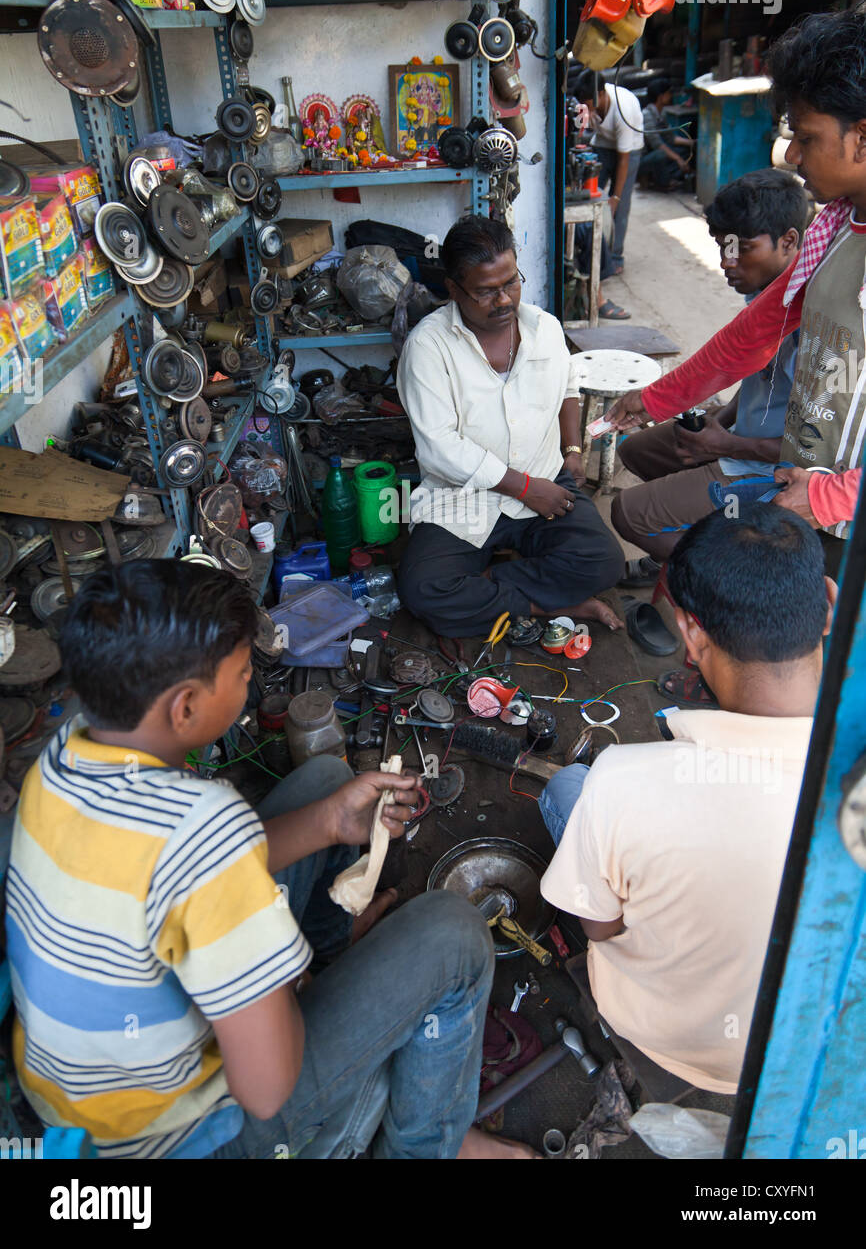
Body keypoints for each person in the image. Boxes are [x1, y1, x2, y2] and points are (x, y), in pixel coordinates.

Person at [6, 561, 535, 1160]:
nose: (251, 679)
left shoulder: (62, 757)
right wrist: (273, 966)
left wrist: (333, 821)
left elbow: (169, 868)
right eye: (241, 672)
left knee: (325, 779)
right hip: (193, 1136)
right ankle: (427, 1146)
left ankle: (331, 960)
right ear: (184, 708)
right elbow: (266, 1088)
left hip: (76, 1099)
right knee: (455, 933)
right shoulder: (204, 833)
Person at [538, 503, 836, 1094]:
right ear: (828, 603)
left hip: (658, 1033)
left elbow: (602, 930)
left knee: (568, 787)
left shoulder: (623, 779)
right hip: (805, 1057)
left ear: (691, 633)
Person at [606, 2, 866, 576]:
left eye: (806, 136)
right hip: (803, 490)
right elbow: (749, 338)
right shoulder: (837, 227)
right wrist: (654, 401)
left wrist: (830, 497)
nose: (793, 157)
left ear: (862, 138)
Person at [395, 215, 625, 639]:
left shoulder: (545, 328)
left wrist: (572, 451)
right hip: (462, 497)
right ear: (453, 288)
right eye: (485, 291)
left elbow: (566, 389)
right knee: (422, 589)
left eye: (511, 283)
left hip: (546, 481)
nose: (503, 300)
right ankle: (547, 603)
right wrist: (524, 488)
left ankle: (488, 594)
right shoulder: (427, 348)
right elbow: (439, 448)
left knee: (604, 561)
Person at [611, 168, 810, 580]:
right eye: (723, 247)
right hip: (739, 439)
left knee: (627, 514)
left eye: (742, 248)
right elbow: (757, 373)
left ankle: (730, 577)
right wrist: (721, 420)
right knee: (635, 450)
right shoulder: (769, 297)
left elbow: (813, 454)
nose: (726, 262)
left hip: (767, 469)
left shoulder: (813, 330)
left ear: (789, 242)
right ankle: (700, 534)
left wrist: (729, 445)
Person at [574, 67, 644, 274]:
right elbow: (579, 133)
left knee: (619, 206)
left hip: (630, 150)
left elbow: (623, 160)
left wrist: (615, 197)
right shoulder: (587, 104)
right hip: (603, 143)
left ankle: (615, 257)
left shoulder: (624, 111)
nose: (586, 109)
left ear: (601, 95)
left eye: (589, 105)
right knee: (589, 193)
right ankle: (590, 249)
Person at [639, 76, 692, 192]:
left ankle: (666, 176)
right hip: (641, 160)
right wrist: (678, 159)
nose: (671, 96)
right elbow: (657, 144)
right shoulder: (646, 115)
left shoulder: (661, 113)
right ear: (661, 96)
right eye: (668, 93)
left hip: (653, 154)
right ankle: (663, 183)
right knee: (661, 154)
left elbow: (670, 138)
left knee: (684, 151)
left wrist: (692, 142)